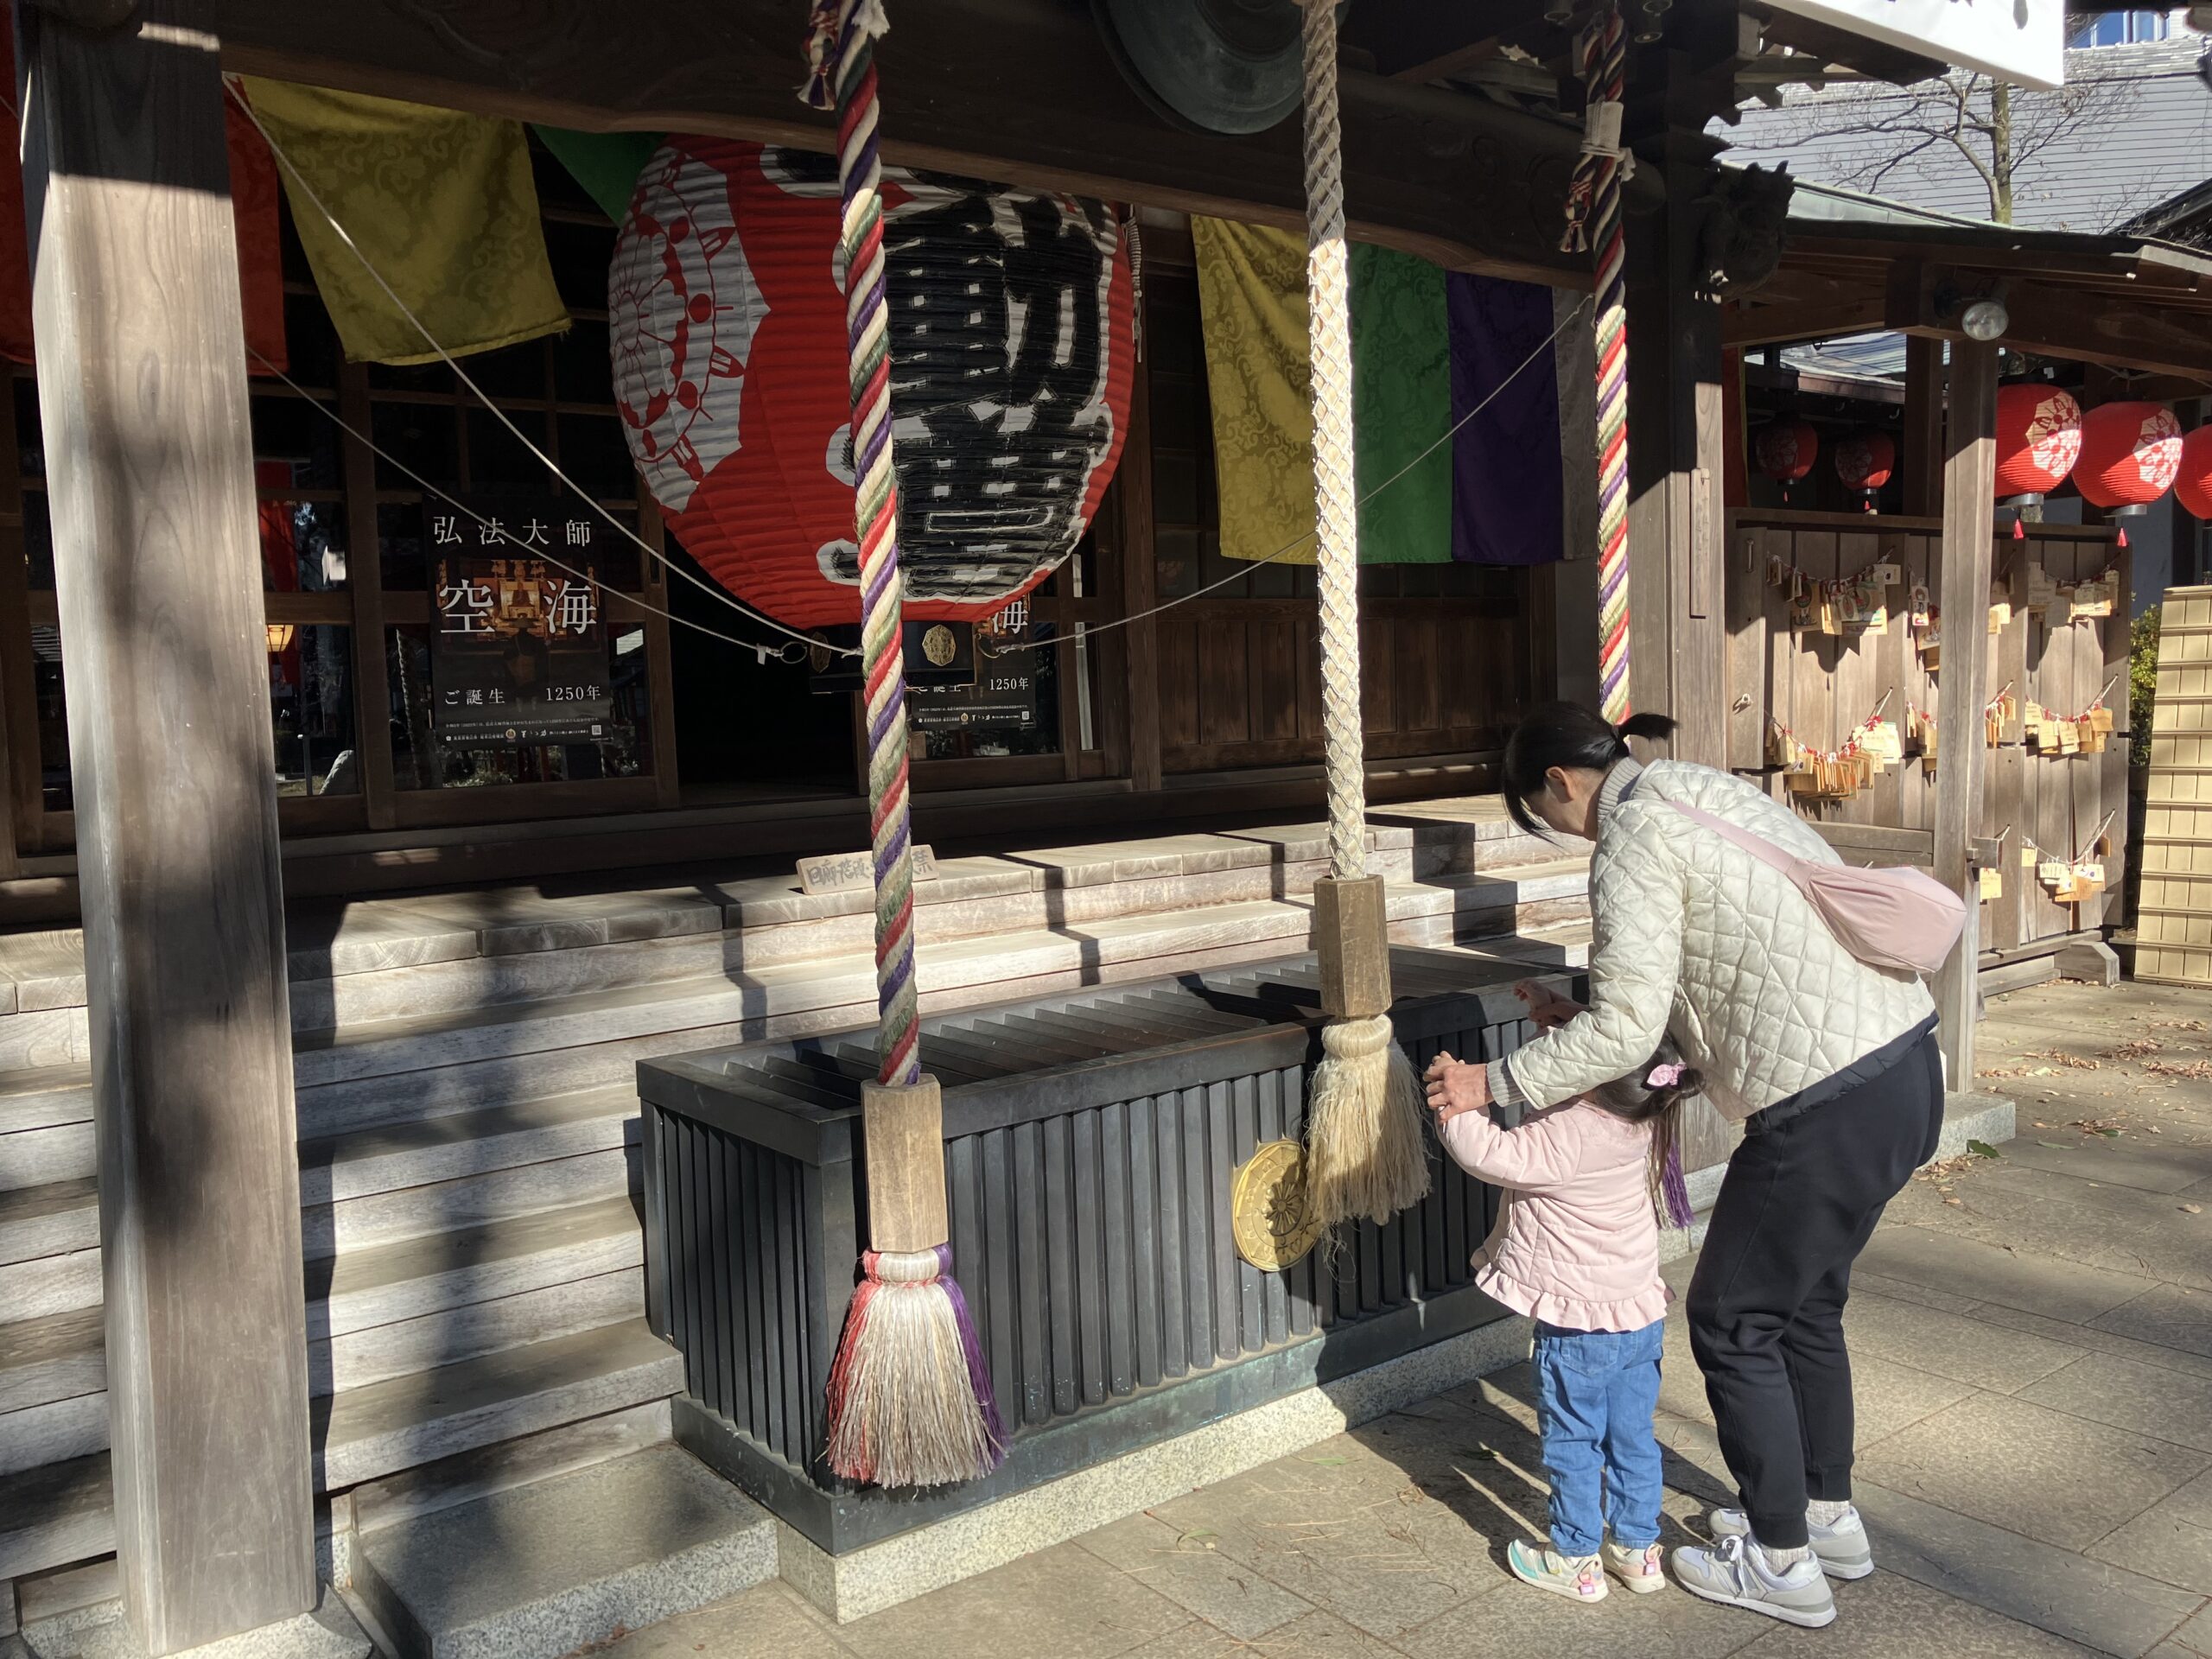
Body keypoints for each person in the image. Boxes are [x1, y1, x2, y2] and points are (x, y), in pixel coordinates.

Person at [1423, 702, 1940, 1631]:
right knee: (1804, 1307)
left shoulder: (1630, 835)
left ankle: (1779, 1562)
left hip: (1822, 1102)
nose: (1561, 830)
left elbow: (1628, 1031)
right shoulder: (1700, 788)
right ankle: (1825, 1517)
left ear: (1560, 783)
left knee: (1733, 1321)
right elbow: (1715, 969)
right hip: (1903, 1065)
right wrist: (1583, 1016)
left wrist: (1489, 1082)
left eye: (1544, 814)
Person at [1429, 1020, 1703, 1605]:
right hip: (1638, 1314)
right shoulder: (1645, 1115)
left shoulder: (1573, 1130)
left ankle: (1577, 1559)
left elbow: (1491, 1154)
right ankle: (1638, 1550)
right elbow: (1612, 1065)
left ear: (1591, 1075)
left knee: (1573, 1442)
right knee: (1633, 1437)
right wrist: (1557, 1013)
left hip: (1579, 1323)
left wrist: (1455, 1099)